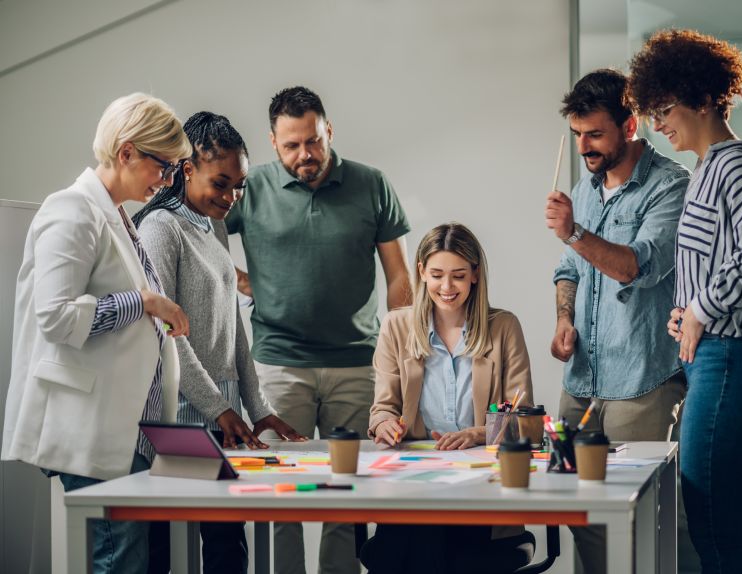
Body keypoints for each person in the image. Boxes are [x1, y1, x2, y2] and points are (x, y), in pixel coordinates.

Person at [624, 29, 742, 573]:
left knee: (712, 527)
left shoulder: (737, 166)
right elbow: (728, 264)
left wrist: (702, 309)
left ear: (703, 99)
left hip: (738, 359)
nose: (657, 126)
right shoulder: (708, 171)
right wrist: (689, 309)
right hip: (737, 358)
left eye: (663, 110)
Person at [1, 93, 192, 574]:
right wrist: (144, 302)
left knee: (130, 560)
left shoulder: (120, 216)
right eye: (163, 167)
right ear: (126, 152)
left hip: (130, 433)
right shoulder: (71, 210)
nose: (167, 182)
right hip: (94, 427)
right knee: (118, 562)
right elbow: (57, 317)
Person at [224, 86, 412, 574]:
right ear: (273, 143)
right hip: (278, 365)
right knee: (279, 495)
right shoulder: (251, 187)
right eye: (291, 145)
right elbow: (201, 239)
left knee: (347, 496)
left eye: (313, 141)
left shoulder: (372, 184)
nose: (304, 154)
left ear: (329, 130)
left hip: (357, 364)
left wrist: (400, 353)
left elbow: (399, 278)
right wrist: (238, 281)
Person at [134, 111, 308, 574]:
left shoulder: (214, 225)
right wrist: (219, 408)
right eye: (221, 183)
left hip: (221, 418)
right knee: (161, 551)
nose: (231, 197)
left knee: (228, 547)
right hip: (179, 419)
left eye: (240, 186)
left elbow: (233, 327)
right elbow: (165, 335)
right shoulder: (159, 228)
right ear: (187, 168)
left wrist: (257, 405)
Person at [543, 69, 690, 573]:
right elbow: (569, 270)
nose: (585, 146)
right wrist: (565, 318)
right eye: (577, 135)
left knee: (638, 517)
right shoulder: (584, 189)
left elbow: (637, 266)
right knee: (577, 507)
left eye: (596, 134)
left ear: (629, 128)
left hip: (642, 382)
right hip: (581, 381)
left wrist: (575, 231)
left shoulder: (671, 185)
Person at [363, 222, 535, 573]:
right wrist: (384, 425)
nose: (446, 286)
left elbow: (521, 412)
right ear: (422, 272)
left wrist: (478, 432)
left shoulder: (503, 327)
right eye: (437, 274)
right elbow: (383, 407)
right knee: (420, 523)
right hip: (415, 481)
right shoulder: (396, 327)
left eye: (458, 275)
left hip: (482, 488)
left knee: (404, 544)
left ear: (475, 274)